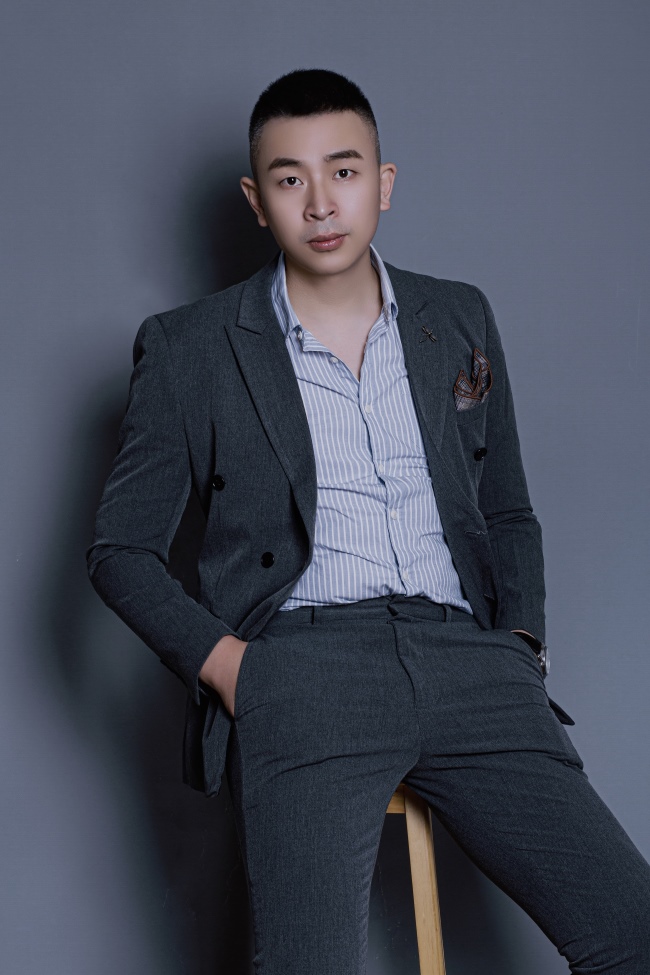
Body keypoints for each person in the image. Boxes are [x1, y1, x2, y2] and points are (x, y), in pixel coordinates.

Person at [87, 68, 650, 974]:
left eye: (343, 171)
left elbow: (506, 507)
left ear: (383, 182)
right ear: (257, 200)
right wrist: (235, 670)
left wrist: (519, 646)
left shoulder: (456, 315)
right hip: (305, 673)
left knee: (633, 933)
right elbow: (120, 551)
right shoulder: (191, 346)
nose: (321, 203)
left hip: (472, 667)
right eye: (290, 178)